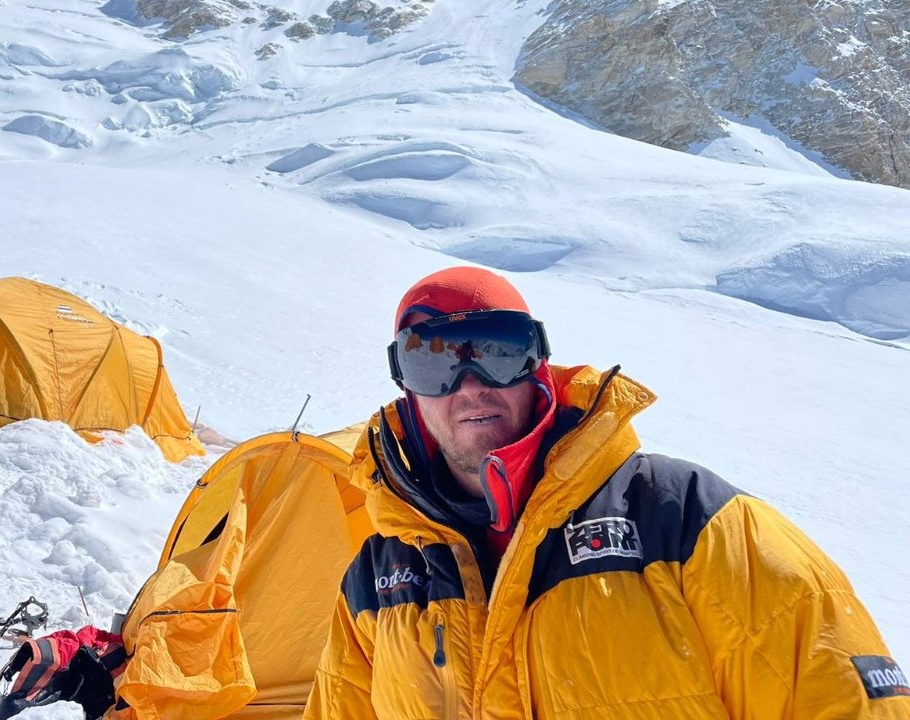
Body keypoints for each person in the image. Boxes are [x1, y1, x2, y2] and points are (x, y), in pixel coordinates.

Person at [302, 266, 909, 719]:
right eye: (432, 363)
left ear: (539, 365)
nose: (470, 385)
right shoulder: (376, 581)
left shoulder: (689, 522)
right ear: (407, 388)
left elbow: (845, 700)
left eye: (498, 352)